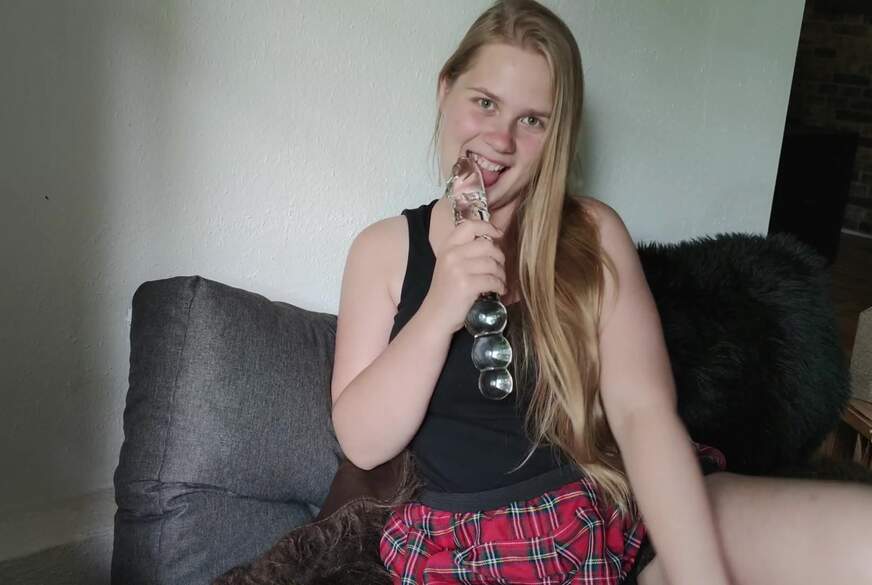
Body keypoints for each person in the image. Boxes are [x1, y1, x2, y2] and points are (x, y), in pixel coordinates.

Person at [330, 1, 872, 584]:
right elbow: (362, 443)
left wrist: (696, 572)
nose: (500, 139)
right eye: (484, 102)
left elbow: (643, 414)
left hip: (618, 507)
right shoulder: (385, 249)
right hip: (471, 546)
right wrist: (440, 309)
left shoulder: (594, 231)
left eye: (532, 120)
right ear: (446, 90)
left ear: (557, 134)